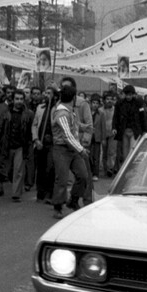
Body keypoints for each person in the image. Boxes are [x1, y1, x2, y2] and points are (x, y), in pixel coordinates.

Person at [50, 81, 91, 220]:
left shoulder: (70, 111)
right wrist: (81, 150)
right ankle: (58, 206)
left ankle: (73, 200)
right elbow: (67, 136)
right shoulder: (61, 113)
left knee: (83, 176)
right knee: (61, 179)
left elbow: (72, 127)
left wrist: (84, 127)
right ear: (73, 98)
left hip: (73, 149)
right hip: (62, 149)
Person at [1, 89, 33, 202]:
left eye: (21, 99)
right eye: (17, 99)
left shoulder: (28, 114)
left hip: (21, 145)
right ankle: (15, 187)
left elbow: (30, 131)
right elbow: (1, 129)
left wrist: (30, 144)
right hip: (8, 145)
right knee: (9, 171)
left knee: (18, 170)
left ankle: (16, 193)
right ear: (13, 100)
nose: (19, 101)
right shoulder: (6, 113)